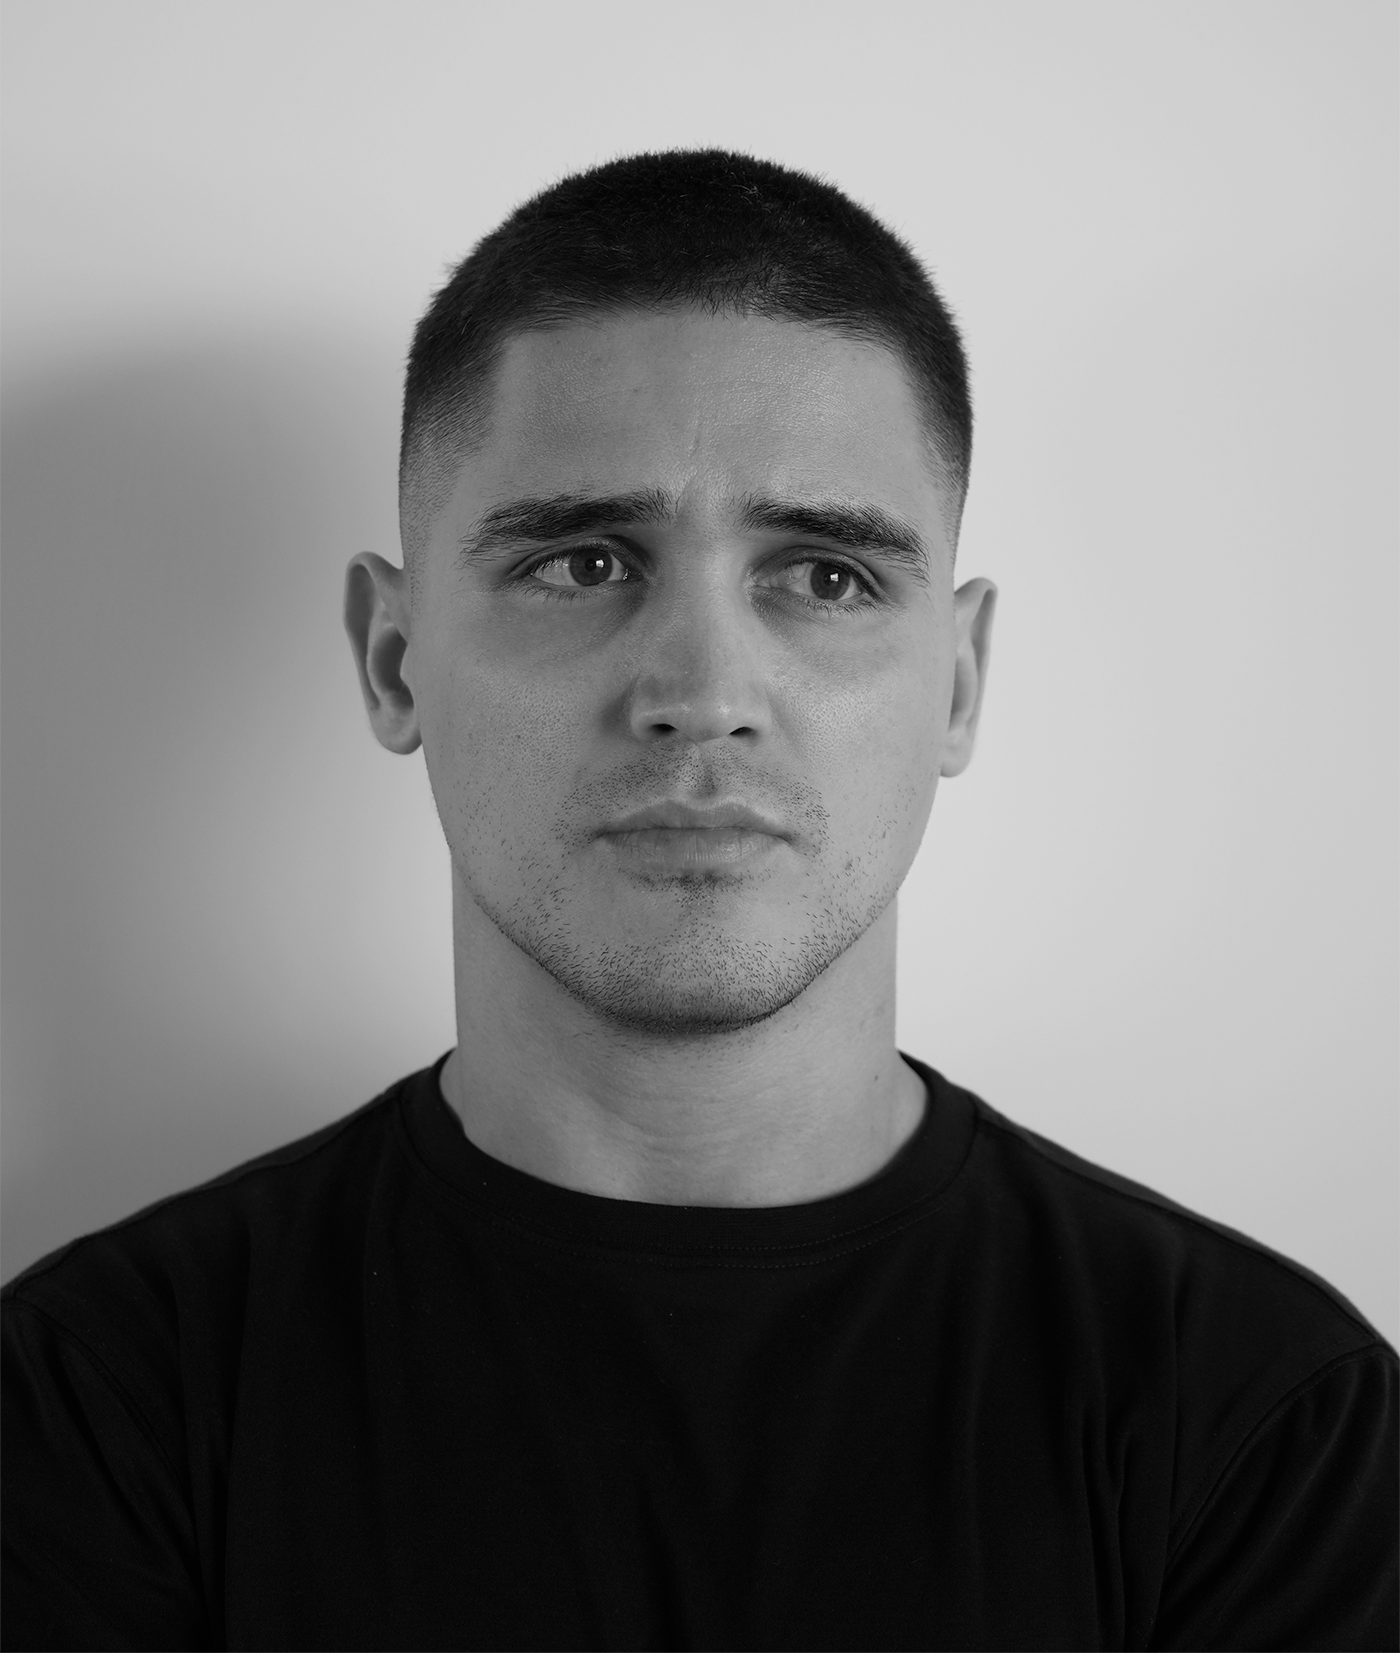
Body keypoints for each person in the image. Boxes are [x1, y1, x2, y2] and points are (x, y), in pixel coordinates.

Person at [2, 150, 1395, 1653]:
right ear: (394, 660)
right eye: (584, 561)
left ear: (961, 682)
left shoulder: (1266, 1424)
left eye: (826, 576)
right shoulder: (91, 1407)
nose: (705, 695)